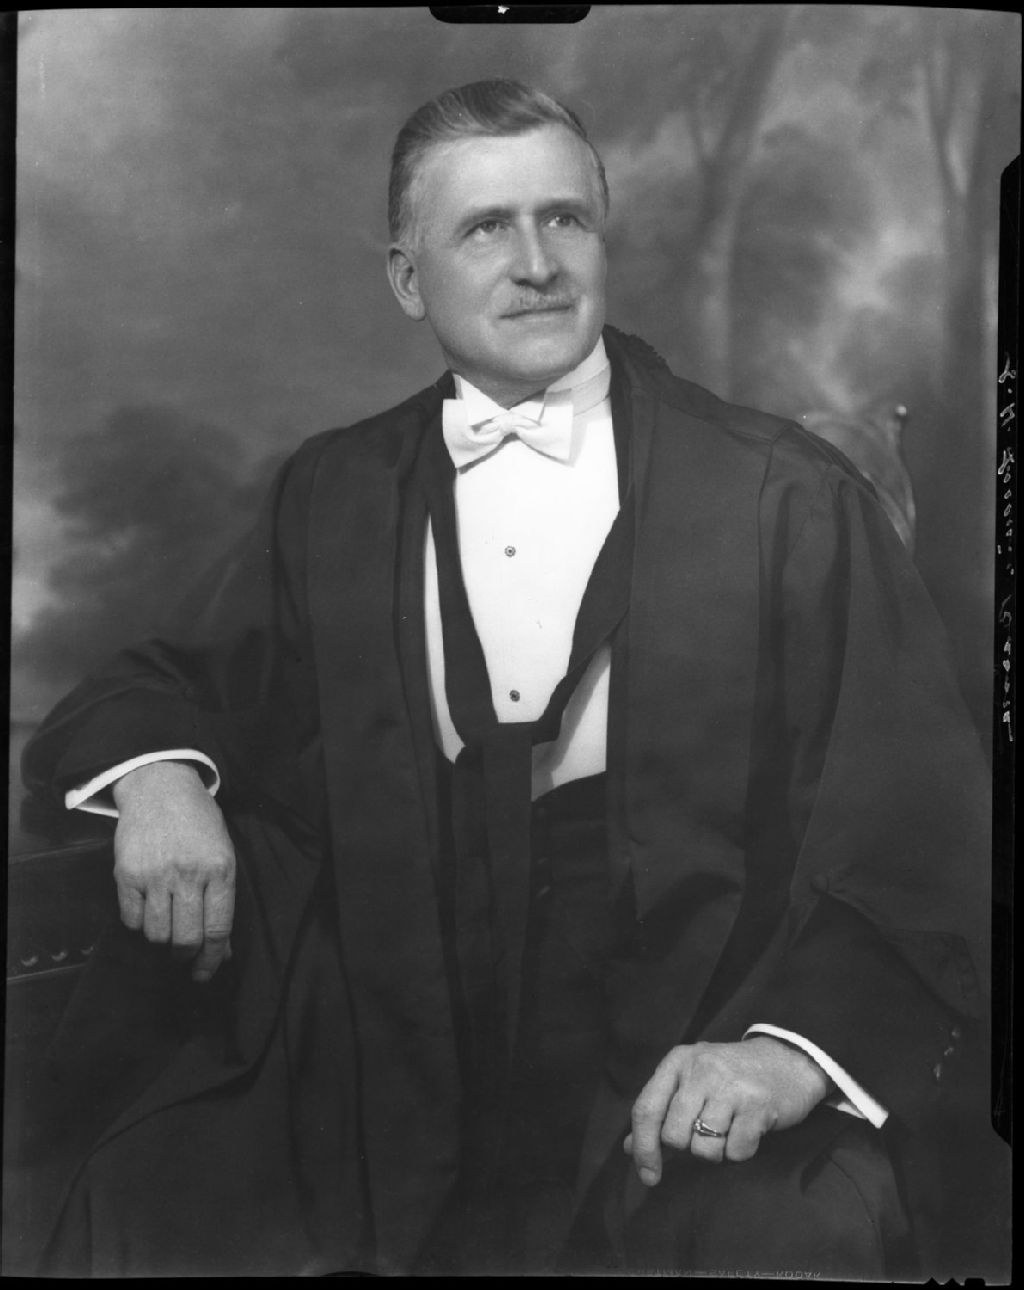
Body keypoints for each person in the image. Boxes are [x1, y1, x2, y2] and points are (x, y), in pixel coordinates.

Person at [20, 80, 991, 1277]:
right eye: (485, 228)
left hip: (684, 1014)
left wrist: (786, 1051)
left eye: (564, 219)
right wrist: (163, 782)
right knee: (146, 1199)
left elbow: (914, 824)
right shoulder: (332, 493)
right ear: (406, 278)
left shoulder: (781, 495)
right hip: (392, 1033)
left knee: (783, 1232)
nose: (536, 264)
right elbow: (168, 677)